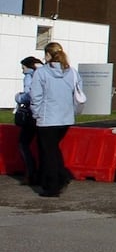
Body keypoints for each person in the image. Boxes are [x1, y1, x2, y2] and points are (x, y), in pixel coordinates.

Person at [29, 42, 79, 198]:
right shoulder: (72, 72)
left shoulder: (41, 73)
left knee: (48, 152)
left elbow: (35, 96)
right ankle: (61, 176)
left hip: (47, 117)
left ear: (48, 55)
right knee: (53, 149)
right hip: (65, 118)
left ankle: (52, 185)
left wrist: (35, 113)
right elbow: (77, 93)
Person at [14, 56, 43, 185]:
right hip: (46, 114)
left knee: (23, 143)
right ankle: (42, 174)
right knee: (42, 145)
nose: (22, 71)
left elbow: (29, 95)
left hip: (32, 114)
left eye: (23, 68)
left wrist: (18, 97)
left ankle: (30, 173)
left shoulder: (29, 77)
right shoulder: (44, 74)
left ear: (29, 67)